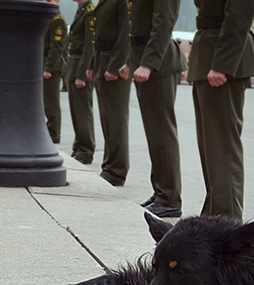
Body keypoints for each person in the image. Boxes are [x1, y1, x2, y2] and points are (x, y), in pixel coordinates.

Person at [187, 0, 254, 220]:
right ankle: (214, 214)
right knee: (212, 150)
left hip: (221, 58)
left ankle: (226, 220)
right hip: (208, 53)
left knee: (222, 148)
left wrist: (222, 63)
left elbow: (239, 14)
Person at [122, 0, 187, 218]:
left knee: (162, 133)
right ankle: (161, 193)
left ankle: (169, 198)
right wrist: (132, 62)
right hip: (145, 59)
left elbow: (163, 22)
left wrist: (148, 62)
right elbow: (139, 27)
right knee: (155, 134)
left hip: (158, 63)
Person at [87, 0, 129, 187]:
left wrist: (115, 65)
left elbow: (125, 34)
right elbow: (99, 36)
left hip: (113, 64)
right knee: (108, 120)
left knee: (116, 119)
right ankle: (110, 166)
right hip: (103, 61)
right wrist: (92, 64)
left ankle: (117, 169)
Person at [64, 0, 95, 164]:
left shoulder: (89, 11)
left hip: (81, 67)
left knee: (83, 111)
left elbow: (90, 45)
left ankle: (86, 149)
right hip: (74, 64)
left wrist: (82, 74)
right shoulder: (81, 10)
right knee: (76, 111)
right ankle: (79, 146)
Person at [42, 0, 67, 144]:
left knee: (51, 101)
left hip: (52, 66)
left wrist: (48, 68)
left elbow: (56, 47)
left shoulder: (58, 21)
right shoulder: (50, 18)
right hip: (45, 62)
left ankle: (54, 133)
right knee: (45, 100)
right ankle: (49, 129)